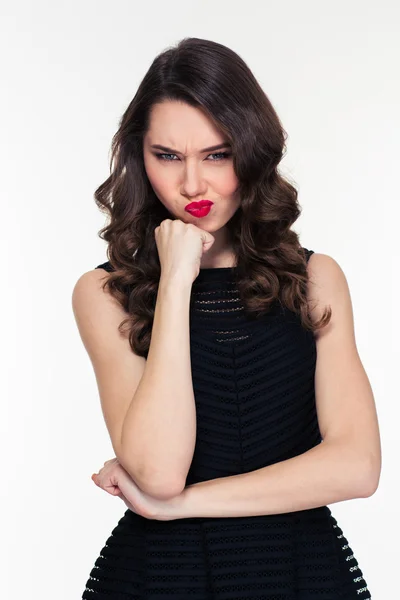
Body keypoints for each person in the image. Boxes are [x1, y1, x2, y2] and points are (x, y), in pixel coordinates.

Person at [72, 37, 381, 599]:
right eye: (167, 156)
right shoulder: (104, 292)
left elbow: (357, 467)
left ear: (252, 150)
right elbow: (160, 471)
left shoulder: (315, 280)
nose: (192, 184)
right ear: (139, 157)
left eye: (216, 154)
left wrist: (184, 505)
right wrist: (174, 281)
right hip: (163, 578)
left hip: (299, 573)